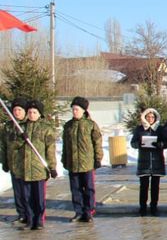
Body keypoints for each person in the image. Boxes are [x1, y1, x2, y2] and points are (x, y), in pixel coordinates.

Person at [61, 96, 103, 223]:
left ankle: (89, 211)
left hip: (87, 163)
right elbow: (65, 145)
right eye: (73, 109)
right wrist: (64, 160)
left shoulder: (91, 125)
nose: (74, 111)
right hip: (73, 163)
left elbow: (97, 142)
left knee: (89, 188)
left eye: (77, 109)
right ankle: (78, 211)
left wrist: (98, 158)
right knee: (75, 189)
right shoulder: (68, 126)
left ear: (84, 110)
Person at [19, 100, 57, 230]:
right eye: (29, 112)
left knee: (39, 197)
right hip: (25, 169)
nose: (31, 114)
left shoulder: (46, 129)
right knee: (27, 197)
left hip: (39, 169)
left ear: (39, 114)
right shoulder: (21, 127)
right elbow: (14, 147)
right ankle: (30, 220)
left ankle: (39, 220)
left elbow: (50, 149)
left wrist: (52, 167)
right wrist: (20, 139)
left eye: (34, 112)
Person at [131, 107, 167, 216]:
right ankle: (142, 207)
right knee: (144, 186)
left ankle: (154, 206)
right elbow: (133, 143)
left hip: (157, 160)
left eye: (152, 117)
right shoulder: (139, 129)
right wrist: (139, 144)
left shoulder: (160, 129)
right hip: (144, 161)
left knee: (155, 186)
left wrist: (160, 144)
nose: (150, 119)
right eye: (148, 117)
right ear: (145, 117)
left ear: (156, 118)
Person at [0, 98, 28, 224]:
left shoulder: (29, 125)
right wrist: (5, 162)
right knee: (18, 192)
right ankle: (21, 214)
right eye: (15, 110)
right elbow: (3, 146)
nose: (17, 112)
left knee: (28, 192)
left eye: (19, 110)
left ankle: (30, 214)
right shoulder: (8, 127)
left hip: (27, 165)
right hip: (13, 164)